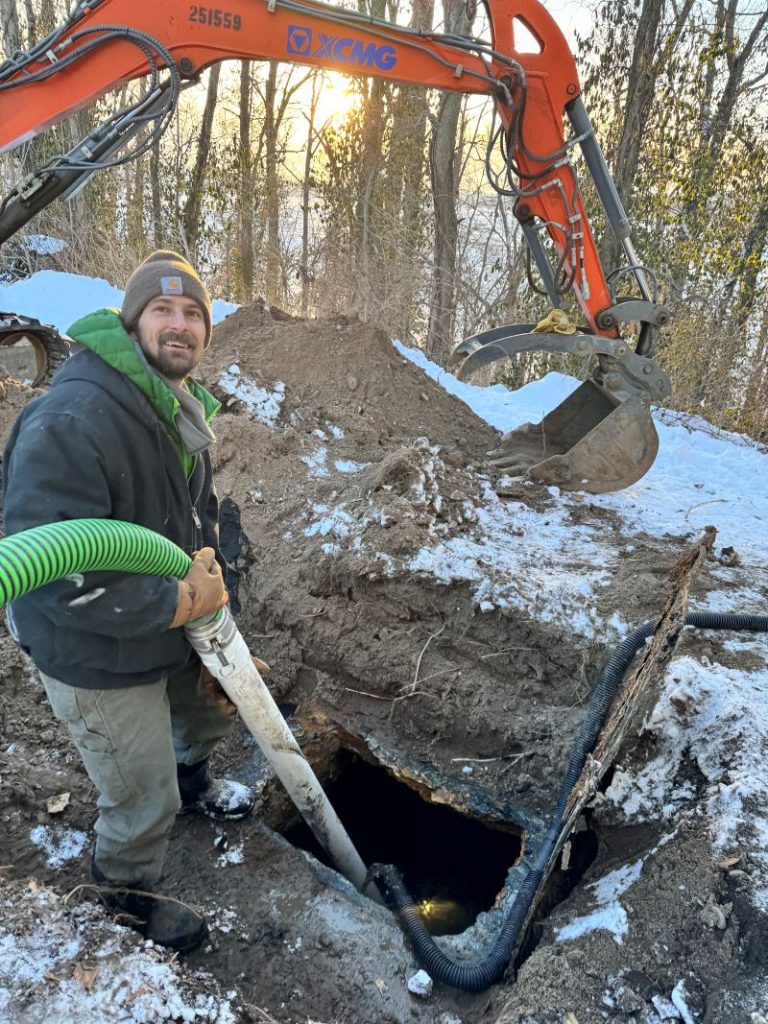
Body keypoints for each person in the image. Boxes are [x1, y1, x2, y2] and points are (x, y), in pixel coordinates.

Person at [2, 251, 260, 953]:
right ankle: (124, 899)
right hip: (90, 647)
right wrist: (177, 603)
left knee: (205, 710)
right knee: (143, 799)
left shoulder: (176, 411)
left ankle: (191, 772)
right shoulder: (73, 420)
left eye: (193, 314)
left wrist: (213, 602)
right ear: (131, 321)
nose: (180, 326)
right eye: (162, 311)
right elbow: (56, 573)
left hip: (161, 615)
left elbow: (194, 523)